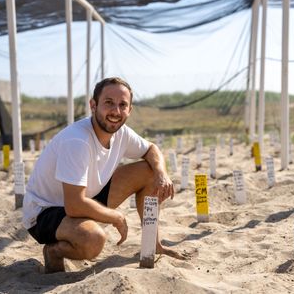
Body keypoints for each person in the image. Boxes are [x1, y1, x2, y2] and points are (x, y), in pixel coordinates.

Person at [22, 77, 184, 273]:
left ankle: (153, 244)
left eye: (122, 105)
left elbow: (151, 148)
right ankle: (54, 251)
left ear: (129, 110)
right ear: (93, 105)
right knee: (94, 240)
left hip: (85, 198)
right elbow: (74, 205)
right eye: (109, 103)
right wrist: (115, 216)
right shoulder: (77, 140)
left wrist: (161, 173)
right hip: (45, 212)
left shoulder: (122, 132)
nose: (116, 111)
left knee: (149, 170)